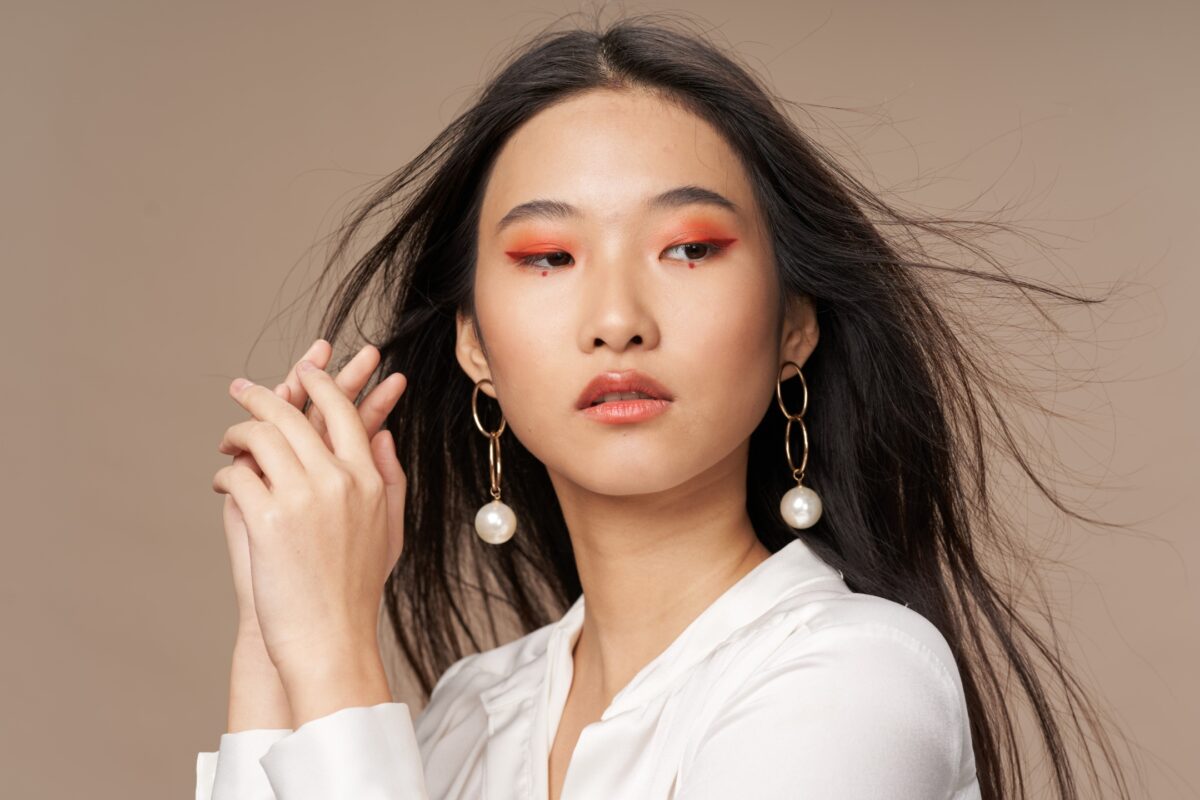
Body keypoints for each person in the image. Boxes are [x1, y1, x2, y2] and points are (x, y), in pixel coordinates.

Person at [196, 11, 1138, 800]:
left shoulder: (857, 683)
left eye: (688, 248)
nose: (617, 321)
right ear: (475, 347)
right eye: (548, 258)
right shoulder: (473, 714)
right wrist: (273, 634)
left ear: (793, 327)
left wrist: (331, 651)